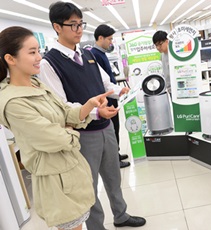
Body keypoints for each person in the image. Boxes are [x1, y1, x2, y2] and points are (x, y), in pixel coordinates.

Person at [38, 2, 146, 230]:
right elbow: (62, 106)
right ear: (57, 27)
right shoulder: (50, 63)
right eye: (73, 25)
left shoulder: (88, 54)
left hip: (105, 127)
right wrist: (96, 110)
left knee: (113, 176)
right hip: (82, 134)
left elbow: (105, 83)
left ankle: (121, 215)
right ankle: (96, 226)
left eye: (80, 24)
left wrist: (121, 91)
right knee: (89, 185)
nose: (78, 29)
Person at [0, 26, 114, 230]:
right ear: (11, 58)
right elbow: (54, 138)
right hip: (56, 180)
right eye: (32, 52)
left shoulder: (36, 85)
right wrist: (70, 131)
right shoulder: (13, 102)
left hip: (70, 170)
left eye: (38, 51)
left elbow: (63, 113)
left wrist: (87, 106)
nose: (39, 57)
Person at [91, 24, 130, 168]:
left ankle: (116, 154)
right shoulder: (95, 55)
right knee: (112, 129)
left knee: (116, 128)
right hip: (107, 99)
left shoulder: (101, 54)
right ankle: (114, 160)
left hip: (113, 96)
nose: (111, 42)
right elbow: (101, 82)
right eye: (109, 39)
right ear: (100, 38)